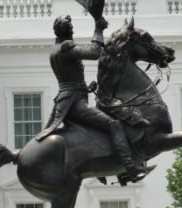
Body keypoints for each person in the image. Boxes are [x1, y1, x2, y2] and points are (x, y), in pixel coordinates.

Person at [34, 14, 149, 183]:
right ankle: (129, 170)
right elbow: (95, 52)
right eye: (72, 29)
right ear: (68, 31)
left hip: (68, 100)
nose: (73, 32)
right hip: (75, 104)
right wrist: (98, 28)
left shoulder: (55, 51)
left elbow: (69, 81)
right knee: (114, 124)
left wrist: (86, 88)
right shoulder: (67, 48)